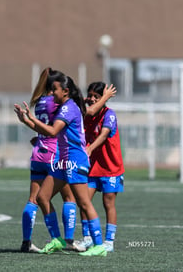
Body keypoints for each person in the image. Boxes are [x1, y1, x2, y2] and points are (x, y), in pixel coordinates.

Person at [15, 73, 107, 257]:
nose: (52, 92)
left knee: (83, 202)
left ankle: (99, 245)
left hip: (74, 160)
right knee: (42, 197)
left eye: (55, 89)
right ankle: (58, 239)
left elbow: (52, 131)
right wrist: (27, 121)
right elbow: (50, 132)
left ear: (65, 91)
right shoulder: (65, 107)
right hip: (62, 161)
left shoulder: (69, 108)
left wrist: (31, 119)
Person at [16, 68, 78, 253]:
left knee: (33, 199)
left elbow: (40, 126)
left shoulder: (40, 101)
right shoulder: (58, 103)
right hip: (56, 153)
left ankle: (26, 242)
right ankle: (67, 240)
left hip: (38, 153)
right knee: (69, 196)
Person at [75, 81, 124, 253]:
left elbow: (104, 135)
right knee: (83, 201)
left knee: (108, 203)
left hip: (111, 168)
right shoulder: (87, 115)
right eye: (91, 95)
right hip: (91, 168)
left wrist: (89, 148)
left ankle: (109, 241)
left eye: (97, 96)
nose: (92, 99)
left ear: (103, 97)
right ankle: (88, 238)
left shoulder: (109, 114)